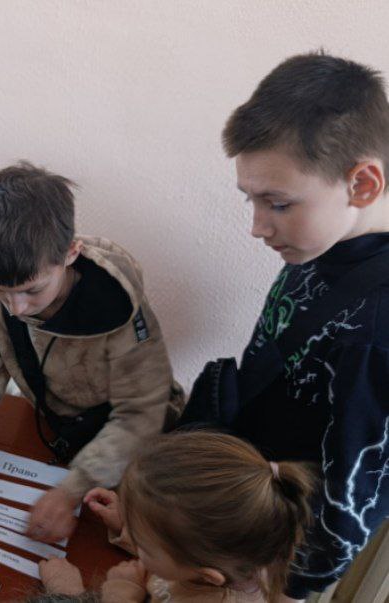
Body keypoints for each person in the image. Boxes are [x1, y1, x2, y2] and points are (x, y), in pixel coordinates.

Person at [0, 162, 183, 546]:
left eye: (32, 290)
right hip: (63, 437)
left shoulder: (116, 307)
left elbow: (141, 412)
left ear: (70, 253)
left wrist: (72, 490)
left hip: (139, 450)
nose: (16, 307)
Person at [217, 51, 389, 600]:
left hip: (275, 564)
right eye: (251, 199)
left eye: (278, 203)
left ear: (363, 184)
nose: (257, 226)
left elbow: (352, 496)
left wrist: (283, 587)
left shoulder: (375, 331)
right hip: (243, 516)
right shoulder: (319, 243)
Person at [38, 431, 315, 602]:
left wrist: (73, 594)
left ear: (207, 577)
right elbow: (175, 557)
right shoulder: (220, 558)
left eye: (145, 545)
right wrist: (129, 525)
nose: (138, 544)